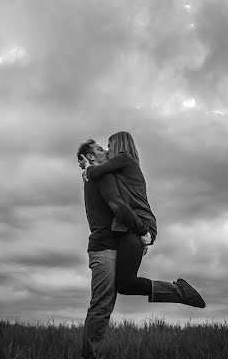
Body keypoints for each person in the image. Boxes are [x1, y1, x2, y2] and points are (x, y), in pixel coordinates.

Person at [79, 131, 205, 308]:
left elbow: (98, 175)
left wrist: (87, 168)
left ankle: (179, 291)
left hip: (140, 224)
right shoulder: (119, 170)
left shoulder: (124, 158)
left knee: (125, 283)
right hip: (134, 226)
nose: (107, 150)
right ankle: (179, 291)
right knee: (124, 284)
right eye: (103, 148)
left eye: (109, 145)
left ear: (119, 144)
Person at [76, 139, 152, 359]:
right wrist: (142, 230)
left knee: (105, 305)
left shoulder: (96, 175)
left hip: (108, 247)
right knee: (101, 305)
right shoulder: (100, 176)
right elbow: (118, 206)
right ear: (90, 158)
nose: (106, 150)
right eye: (100, 149)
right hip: (103, 249)